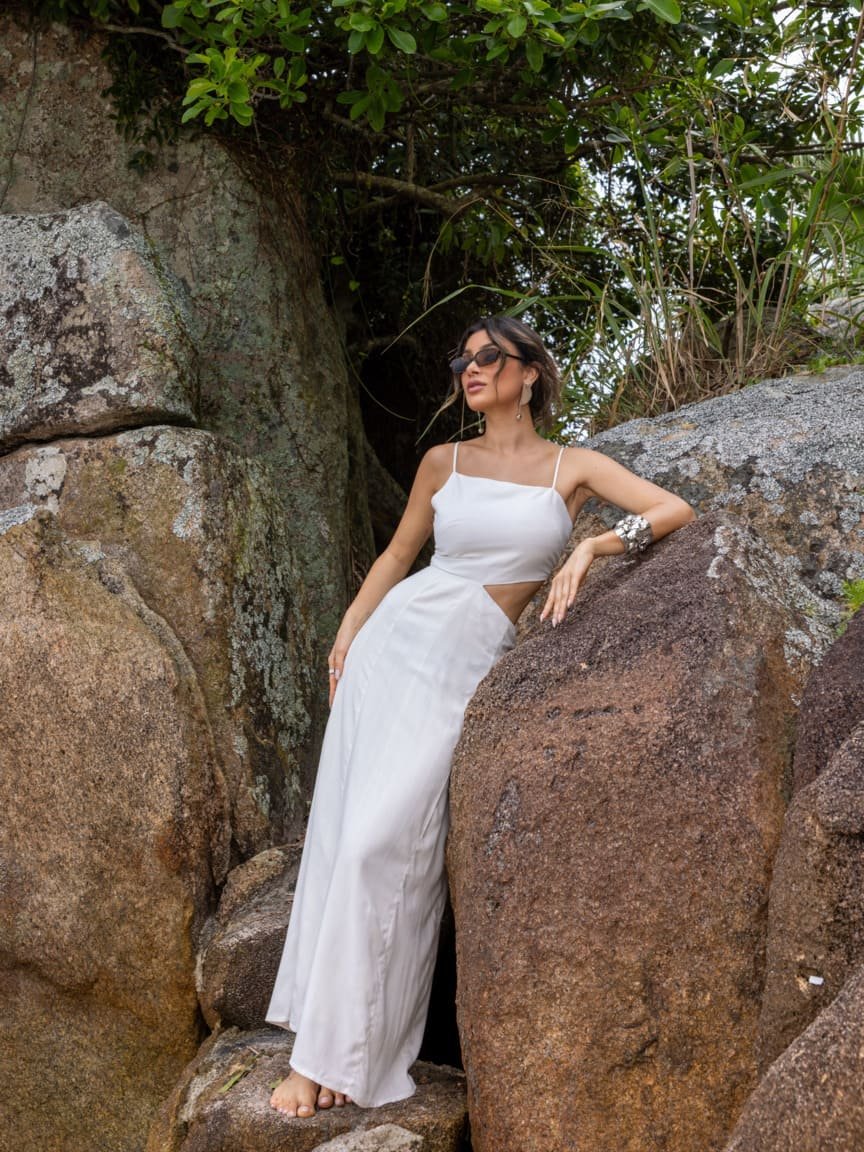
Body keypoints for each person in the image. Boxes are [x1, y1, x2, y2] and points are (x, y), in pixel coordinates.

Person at [266, 315, 695, 1118]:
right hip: (394, 652)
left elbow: (675, 510)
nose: (470, 368)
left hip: (469, 666)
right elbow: (399, 557)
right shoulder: (443, 462)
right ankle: (317, 1056)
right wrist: (348, 634)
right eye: (461, 359)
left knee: (390, 847)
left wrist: (592, 549)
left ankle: (349, 1053)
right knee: (349, 845)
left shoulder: (574, 466)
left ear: (529, 372)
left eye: (487, 356)